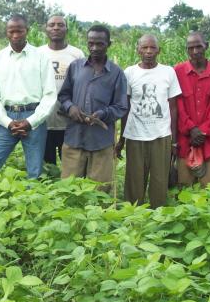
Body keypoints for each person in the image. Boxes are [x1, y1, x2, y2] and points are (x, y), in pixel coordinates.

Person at [0, 15, 57, 179]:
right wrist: (8, 123)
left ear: (26, 31)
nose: (15, 35)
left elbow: (50, 94)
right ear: (6, 32)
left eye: (19, 31)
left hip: (34, 118)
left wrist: (31, 122)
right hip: (8, 119)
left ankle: (30, 200)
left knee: (34, 173)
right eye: (11, 31)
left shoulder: (41, 57)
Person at [58, 25, 128, 192]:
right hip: (75, 138)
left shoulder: (117, 73)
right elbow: (63, 96)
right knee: (69, 190)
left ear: (108, 44)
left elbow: (121, 106)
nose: (95, 48)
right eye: (91, 43)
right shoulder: (75, 67)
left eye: (100, 44)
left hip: (101, 141)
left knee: (100, 191)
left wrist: (103, 113)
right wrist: (71, 108)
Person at [115, 35, 181, 207]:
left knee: (160, 180)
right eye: (144, 48)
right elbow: (126, 108)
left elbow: (173, 107)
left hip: (161, 135)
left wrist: (174, 140)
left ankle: (157, 217)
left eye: (152, 48)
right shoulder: (129, 73)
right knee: (134, 179)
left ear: (159, 50)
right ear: (138, 50)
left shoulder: (168, 72)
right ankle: (134, 217)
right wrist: (122, 139)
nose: (149, 52)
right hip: (136, 135)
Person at [174, 32, 210, 187]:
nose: (195, 51)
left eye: (199, 46)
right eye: (191, 48)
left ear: (207, 46)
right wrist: (191, 128)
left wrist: (202, 131)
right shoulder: (177, 72)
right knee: (184, 186)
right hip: (185, 138)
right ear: (186, 50)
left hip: (209, 139)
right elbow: (177, 104)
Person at [36, 15, 85, 165]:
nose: (56, 28)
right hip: (43, 119)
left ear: (66, 29)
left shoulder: (77, 54)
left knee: (70, 165)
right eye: (51, 25)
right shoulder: (37, 53)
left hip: (68, 121)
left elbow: (82, 86)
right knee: (47, 165)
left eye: (60, 25)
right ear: (46, 29)